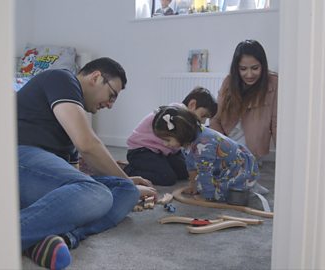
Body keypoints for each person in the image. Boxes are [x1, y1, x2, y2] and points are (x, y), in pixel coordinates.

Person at [17, 57, 157, 270]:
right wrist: (124, 177)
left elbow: (75, 178)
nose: (110, 105)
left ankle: (58, 238)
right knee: (98, 192)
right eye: (112, 96)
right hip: (17, 160)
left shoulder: (69, 120)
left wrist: (124, 183)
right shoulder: (62, 78)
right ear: (96, 77)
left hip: (39, 177)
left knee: (125, 191)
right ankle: (6, 237)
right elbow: (87, 144)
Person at [152, 105, 261, 202]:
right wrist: (193, 185)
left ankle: (242, 189)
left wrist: (208, 196)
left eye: (167, 140)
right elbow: (191, 165)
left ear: (180, 133)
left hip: (240, 169)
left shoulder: (203, 146)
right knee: (202, 181)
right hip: (225, 166)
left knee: (226, 193)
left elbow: (205, 173)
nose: (165, 144)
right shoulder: (190, 138)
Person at [123, 86, 217, 186]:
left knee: (185, 171)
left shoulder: (183, 118)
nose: (203, 121)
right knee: (167, 177)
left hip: (163, 151)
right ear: (192, 104)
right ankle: (129, 170)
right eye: (203, 115)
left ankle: (159, 165)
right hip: (141, 150)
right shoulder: (176, 115)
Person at [210, 40, 278, 168]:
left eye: (255, 68)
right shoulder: (229, 82)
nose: (249, 74)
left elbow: (276, 123)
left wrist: (284, 157)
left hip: (252, 151)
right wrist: (222, 148)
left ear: (263, 66)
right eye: (243, 69)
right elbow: (215, 118)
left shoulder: (273, 84)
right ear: (237, 68)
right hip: (226, 145)